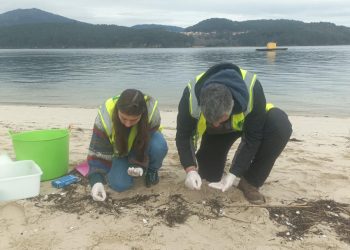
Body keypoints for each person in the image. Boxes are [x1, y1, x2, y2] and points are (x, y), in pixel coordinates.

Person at [176, 63, 292, 204]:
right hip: (216, 135)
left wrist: (234, 173)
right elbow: (183, 135)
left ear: (232, 104)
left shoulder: (252, 87)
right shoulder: (190, 97)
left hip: (251, 124)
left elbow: (253, 137)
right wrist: (190, 169)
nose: (216, 124)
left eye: (219, 119)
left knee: (280, 126)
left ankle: (250, 182)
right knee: (209, 176)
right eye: (211, 119)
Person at [88, 89, 168, 201]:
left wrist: (139, 164)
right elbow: (97, 151)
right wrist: (96, 181)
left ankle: (151, 170)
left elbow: (146, 142)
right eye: (123, 118)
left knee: (159, 145)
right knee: (120, 185)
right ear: (117, 110)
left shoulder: (152, 112)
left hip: (142, 145)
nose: (127, 124)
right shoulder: (104, 118)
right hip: (119, 152)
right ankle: (121, 165)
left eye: (134, 120)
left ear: (142, 113)